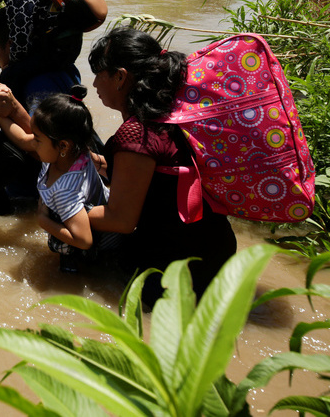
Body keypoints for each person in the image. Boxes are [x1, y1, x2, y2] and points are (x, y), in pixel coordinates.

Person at [85, 26, 237, 305]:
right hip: (216, 252)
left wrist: (62, 213)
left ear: (120, 77)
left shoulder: (136, 134)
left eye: (98, 74)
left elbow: (121, 220)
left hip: (176, 269)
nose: (94, 84)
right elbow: (150, 176)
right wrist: (93, 162)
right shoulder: (177, 115)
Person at [0, 83, 118, 272]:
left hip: (96, 250)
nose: (33, 142)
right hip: (100, 230)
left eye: (38, 139)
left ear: (63, 146)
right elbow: (22, 139)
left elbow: (84, 241)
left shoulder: (65, 191)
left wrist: (43, 220)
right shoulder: (76, 152)